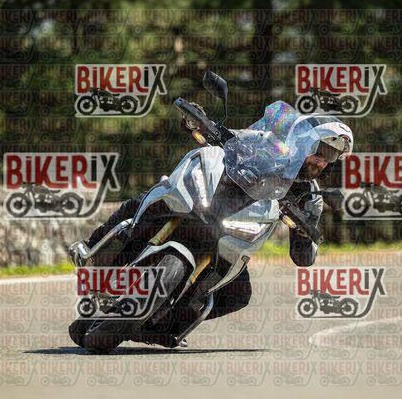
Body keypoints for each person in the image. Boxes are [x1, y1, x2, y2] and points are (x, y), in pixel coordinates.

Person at [84, 100, 353, 321]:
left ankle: (164, 325)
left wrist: (305, 235)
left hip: (234, 234)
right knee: (155, 196)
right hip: (209, 201)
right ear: (304, 142)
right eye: (320, 151)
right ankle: (93, 248)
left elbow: (303, 258)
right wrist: (198, 122)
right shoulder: (267, 144)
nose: (322, 161)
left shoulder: (311, 197)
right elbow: (228, 137)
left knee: (238, 295)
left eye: (330, 156)